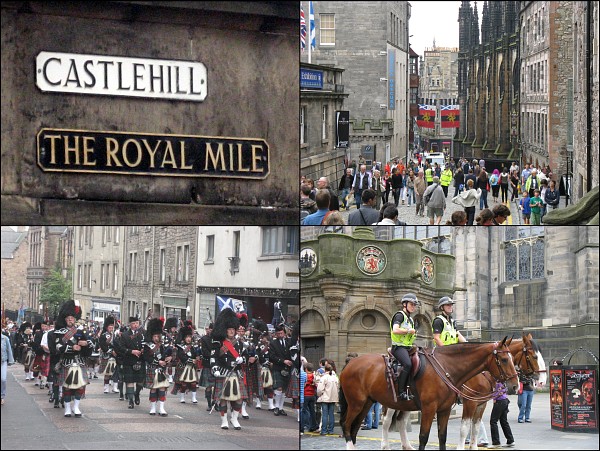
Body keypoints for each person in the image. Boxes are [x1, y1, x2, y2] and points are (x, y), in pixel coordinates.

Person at [49, 300, 93, 418]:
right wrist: (72, 347)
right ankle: (67, 408)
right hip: (67, 362)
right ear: (65, 319)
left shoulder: (80, 331)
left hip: (80, 362)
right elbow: (58, 347)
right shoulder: (59, 332)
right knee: (67, 388)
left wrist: (86, 344)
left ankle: (76, 407)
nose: (70, 320)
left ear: (75, 318)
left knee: (80, 387)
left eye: (72, 318)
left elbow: (90, 345)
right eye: (68, 318)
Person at [210, 308, 247, 430]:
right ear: (225, 330)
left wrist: (243, 360)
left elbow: (247, 356)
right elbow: (213, 357)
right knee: (223, 399)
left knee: (238, 400)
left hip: (236, 374)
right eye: (229, 329)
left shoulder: (240, 343)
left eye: (233, 329)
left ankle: (234, 418)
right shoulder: (218, 343)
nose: (231, 331)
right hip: (224, 373)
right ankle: (224, 420)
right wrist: (215, 369)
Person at [390, 293, 420, 400]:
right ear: (404, 304)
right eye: (411, 304)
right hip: (398, 347)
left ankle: (411, 389)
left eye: (414, 305)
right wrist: (408, 330)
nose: (413, 307)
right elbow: (395, 330)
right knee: (407, 364)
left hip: (408, 347)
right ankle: (401, 392)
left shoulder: (410, 319)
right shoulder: (400, 315)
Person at [114, 315, 146, 409]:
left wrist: (144, 350)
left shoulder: (143, 333)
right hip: (129, 360)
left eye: (137, 323)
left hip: (140, 360)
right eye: (133, 323)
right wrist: (131, 351)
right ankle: (131, 400)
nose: (135, 325)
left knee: (140, 381)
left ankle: (137, 394)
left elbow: (148, 343)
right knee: (130, 381)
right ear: (129, 325)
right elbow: (121, 348)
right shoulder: (124, 335)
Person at [143, 318, 171, 416]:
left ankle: (162, 408)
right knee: (153, 388)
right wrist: (158, 362)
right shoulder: (147, 345)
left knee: (162, 388)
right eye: (154, 336)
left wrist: (168, 358)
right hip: (152, 368)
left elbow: (167, 354)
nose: (156, 338)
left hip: (161, 369)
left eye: (157, 336)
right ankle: (153, 408)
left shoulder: (163, 345)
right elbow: (146, 357)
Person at [172, 324, 201, 404]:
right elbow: (181, 356)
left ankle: (194, 398)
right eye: (187, 337)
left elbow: (195, 354)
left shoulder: (192, 347)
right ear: (184, 338)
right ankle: (182, 397)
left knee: (193, 383)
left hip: (191, 367)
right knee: (183, 384)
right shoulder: (181, 347)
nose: (188, 339)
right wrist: (191, 360)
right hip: (183, 366)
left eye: (189, 337)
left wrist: (198, 356)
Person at [270, 324, 292, 416]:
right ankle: (276, 407)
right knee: (278, 388)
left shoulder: (289, 342)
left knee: (284, 389)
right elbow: (271, 357)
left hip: (288, 368)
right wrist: (283, 361)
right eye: (278, 333)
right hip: (278, 367)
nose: (280, 335)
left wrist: (291, 361)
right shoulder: (273, 343)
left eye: (281, 333)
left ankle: (281, 408)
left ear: (284, 333)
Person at [489, 381, 515, 448]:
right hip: (505, 400)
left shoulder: (497, 382)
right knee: (504, 422)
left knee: (493, 421)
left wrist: (494, 398)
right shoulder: (503, 381)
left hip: (499, 401)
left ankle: (496, 442)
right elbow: (505, 389)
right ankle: (510, 440)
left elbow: (497, 391)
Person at [317, 362, 339, 435]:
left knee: (325, 415)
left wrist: (320, 394)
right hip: (333, 397)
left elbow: (319, 389)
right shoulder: (335, 377)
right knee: (331, 414)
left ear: (325, 369)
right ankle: (331, 430)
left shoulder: (324, 378)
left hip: (325, 397)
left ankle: (324, 430)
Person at [98, 315, 118, 394]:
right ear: (107, 327)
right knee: (107, 372)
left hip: (115, 356)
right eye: (110, 326)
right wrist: (110, 350)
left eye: (112, 326)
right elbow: (103, 346)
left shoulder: (115, 335)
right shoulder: (103, 335)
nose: (111, 328)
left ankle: (115, 387)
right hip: (106, 356)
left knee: (115, 372)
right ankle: (106, 388)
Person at [199, 322, 215, 411]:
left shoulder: (218, 339)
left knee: (217, 386)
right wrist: (213, 356)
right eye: (210, 329)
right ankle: (209, 404)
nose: (211, 331)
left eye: (213, 329)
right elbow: (204, 351)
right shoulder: (204, 339)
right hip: (208, 364)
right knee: (208, 386)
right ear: (208, 329)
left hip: (217, 365)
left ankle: (215, 403)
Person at [302, 362, 318, 432]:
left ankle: (306, 424)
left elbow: (304, 385)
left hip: (306, 395)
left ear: (306, 369)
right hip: (312, 395)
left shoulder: (305, 375)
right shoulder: (314, 376)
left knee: (304, 411)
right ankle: (313, 426)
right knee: (312, 411)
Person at [1, 332, 15, 406]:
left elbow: (9, 349)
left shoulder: (5, 338)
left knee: (3, 379)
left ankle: (2, 396)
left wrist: (10, 360)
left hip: (2, 361)